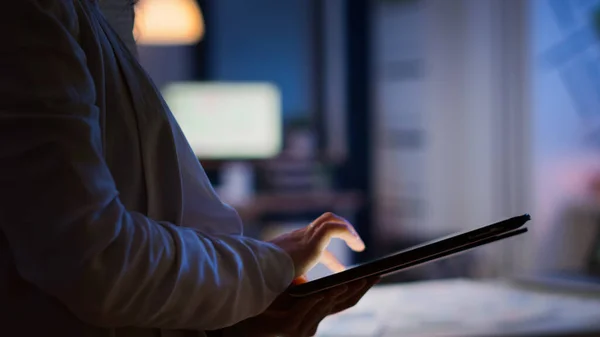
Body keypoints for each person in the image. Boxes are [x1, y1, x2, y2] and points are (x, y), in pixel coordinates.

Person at [0, 1, 377, 336]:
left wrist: (233, 311)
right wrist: (264, 269)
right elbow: (93, 261)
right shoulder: (35, 13)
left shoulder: (93, 18)